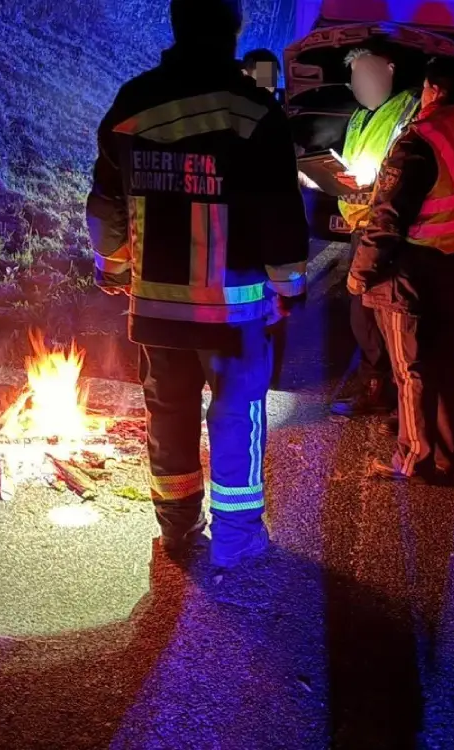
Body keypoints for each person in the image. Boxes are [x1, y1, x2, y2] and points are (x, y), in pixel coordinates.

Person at [87, 0, 309, 568]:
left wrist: (112, 266)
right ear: (233, 35)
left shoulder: (133, 101)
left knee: (169, 416)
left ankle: (178, 532)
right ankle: (236, 540)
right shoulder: (254, 110)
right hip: (233, 312)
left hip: (158, 305)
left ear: (176, 25)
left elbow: (107, 200)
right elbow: (279, 209)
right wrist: (288, 284)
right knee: (237, 412)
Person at [347, 55, 454, 485]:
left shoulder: (421, 139)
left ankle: (414, 458)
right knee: (443, 364)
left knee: (411, 370)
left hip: (415, 274)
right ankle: (447, 457)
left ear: (434, 90)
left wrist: (361, 272)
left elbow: (387, 220)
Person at [330, 49, 421, 427]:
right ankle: (384, 394)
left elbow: (400, 173)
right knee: (365, 314)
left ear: (389, 70)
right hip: (361, 223)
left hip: (383, 227)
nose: (357, 84)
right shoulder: (360, 116)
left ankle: (385, 396)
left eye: (364, 75)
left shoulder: (407, 109)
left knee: (377, 316)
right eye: (353, 77)